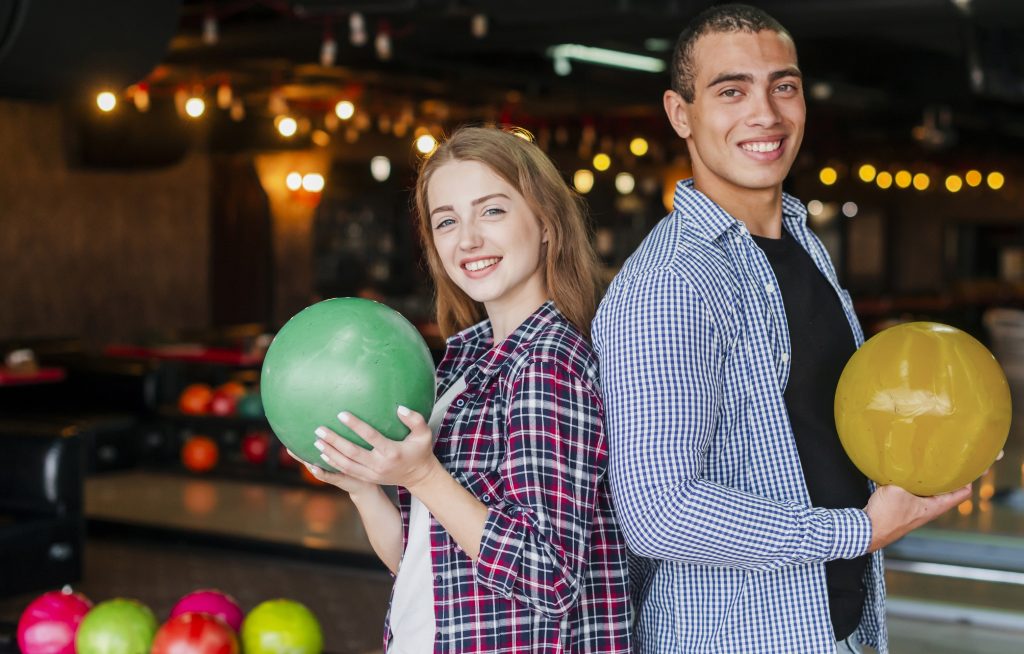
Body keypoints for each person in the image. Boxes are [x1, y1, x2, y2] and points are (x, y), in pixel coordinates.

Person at [591, 5, 971, 653]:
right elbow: (657, 514)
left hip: (834, 626)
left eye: (783, 86)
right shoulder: (670, 283)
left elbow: (820, 428)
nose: (765, 112)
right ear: (681, 114)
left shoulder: (803, 243)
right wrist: (855, 532)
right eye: (731, 90)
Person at [300, 126, 631, 654]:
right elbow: (422, 562)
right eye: (447, 221)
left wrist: (424, 476)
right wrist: (363, 485)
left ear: (546, 223)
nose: (468, 239)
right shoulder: (465, 359)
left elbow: (549, 577)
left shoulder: (547, 366)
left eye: (492, 211)